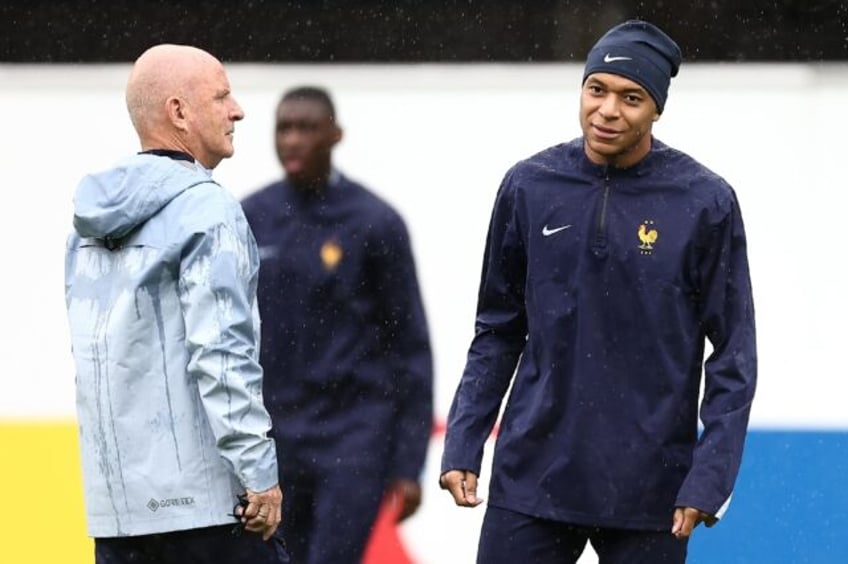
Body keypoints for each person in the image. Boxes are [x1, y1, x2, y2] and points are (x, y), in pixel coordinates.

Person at [440, 20, 757, 564]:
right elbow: (497, 331)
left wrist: (710, 475)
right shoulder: (529, 185)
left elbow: (734, 353)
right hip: (532, 476)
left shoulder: (705, 202)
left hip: (651, 487)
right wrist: (465, 440)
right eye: (597, 90)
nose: (608, 110)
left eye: (631, 97)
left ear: (657, 108)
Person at [64, 44, 289, 563]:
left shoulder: (85, 226)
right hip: (209, 515)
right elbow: (222, 353)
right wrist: (258, 473)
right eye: (221, 95)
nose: (238, 109)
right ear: (178, 112)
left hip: (119, 519)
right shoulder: (207, 208)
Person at [240, 86, 434, 564]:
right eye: (284, 128)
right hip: (275, 436)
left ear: (335, 135)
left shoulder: (376, 222)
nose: (293, 140)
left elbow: (410, 345)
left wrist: (409, 464)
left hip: (354, 436)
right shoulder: (249, 218)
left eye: (307, 128)